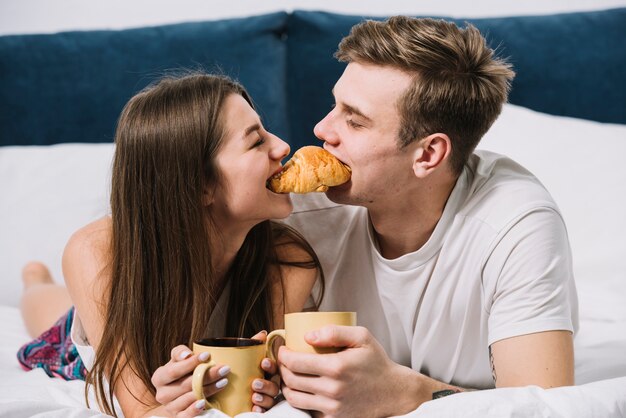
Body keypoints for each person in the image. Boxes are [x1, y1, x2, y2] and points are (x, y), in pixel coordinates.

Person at [271, 16, 578, 417]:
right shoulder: (305, 215)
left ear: (429, 154)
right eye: (335, 106)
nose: (321, 129)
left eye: (355, 119)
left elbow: (546, 408)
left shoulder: (516, 224)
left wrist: (403, 393)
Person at [17, 73, 324, 418]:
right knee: (45, 313)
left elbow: (256, 373)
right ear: (200, 185)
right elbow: (141, 409)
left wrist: (265, 388)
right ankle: (35, 277)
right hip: (101, 332)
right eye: (256, 142)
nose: (283, 146)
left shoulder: (289, 261)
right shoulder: (94, 250)